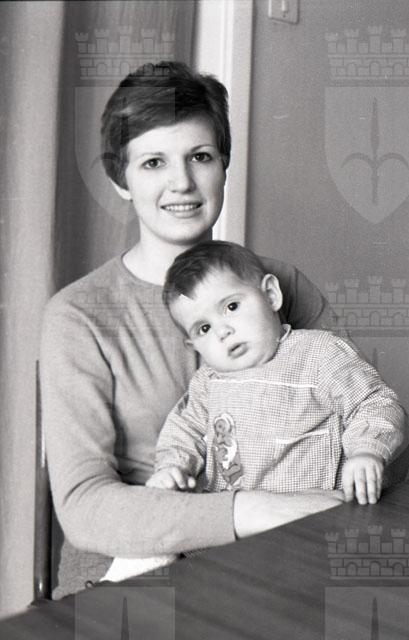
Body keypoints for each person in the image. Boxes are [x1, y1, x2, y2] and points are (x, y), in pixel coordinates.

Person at [41, 61, 345, 598]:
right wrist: (248, 511)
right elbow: (85, 506)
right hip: (127, 579)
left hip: (277, 565)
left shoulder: (283, 285)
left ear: (224, 164)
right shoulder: (79, 315)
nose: (181, 182)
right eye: (153, 162)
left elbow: (362, 424)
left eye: (200, 156)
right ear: (120, 179)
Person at [104, 240, 405, 581]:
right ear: (194, 345)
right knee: (161, 544)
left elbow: (375, 402)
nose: (223, 331)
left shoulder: (319, 354)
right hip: (230, 535)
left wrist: (367, 451)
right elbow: (184, 431)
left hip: (311, 521)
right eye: (203, 328)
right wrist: (171, 468)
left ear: (271, 295)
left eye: (231, 306)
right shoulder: (208, 383)